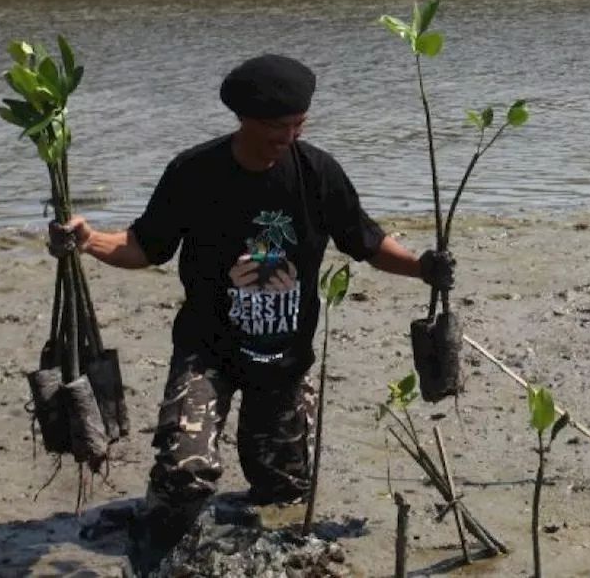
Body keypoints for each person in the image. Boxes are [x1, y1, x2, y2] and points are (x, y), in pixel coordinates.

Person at [49, 53, 454, 575]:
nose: (288, 136)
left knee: (282, 491)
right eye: (276, 127)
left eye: (298, 124)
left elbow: (368, 242)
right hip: (208, 350)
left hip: (284, 358)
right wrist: (88, 241)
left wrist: (423, 266)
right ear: (243, 120)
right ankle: (155, 531)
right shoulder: (194, 172)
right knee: (185, 472)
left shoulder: (318, 173)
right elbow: (144, 247)